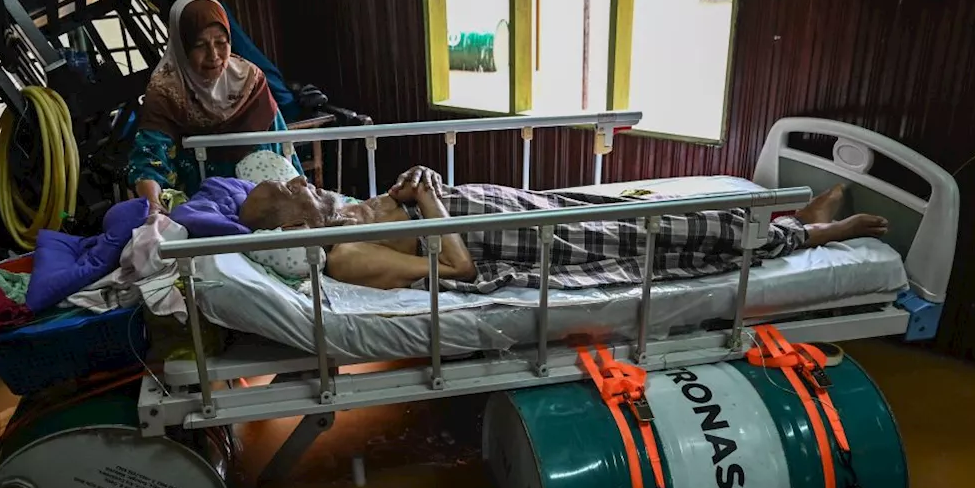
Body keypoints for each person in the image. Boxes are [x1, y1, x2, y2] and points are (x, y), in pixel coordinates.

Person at [238, 168, 889, 294]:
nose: (305, 183)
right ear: (293, 227)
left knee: (651, 208)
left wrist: (421, 183)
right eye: (293, 192)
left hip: (513, 203)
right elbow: (457, 269)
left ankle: (788, 219)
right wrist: (428, 200)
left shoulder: (343, 211)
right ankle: (805, 232)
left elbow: (417, 191)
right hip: (523, 240)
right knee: (671, 235)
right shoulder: (347, 258)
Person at [127, 0, 300, 209]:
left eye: (221, 42)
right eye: (200, 45)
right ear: (182, 47)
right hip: (201, 205)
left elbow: (280, 145)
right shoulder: (166, 91)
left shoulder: (249, 80)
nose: (214, 55)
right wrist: (153, 204)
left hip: (261, 201)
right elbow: (150, 156)